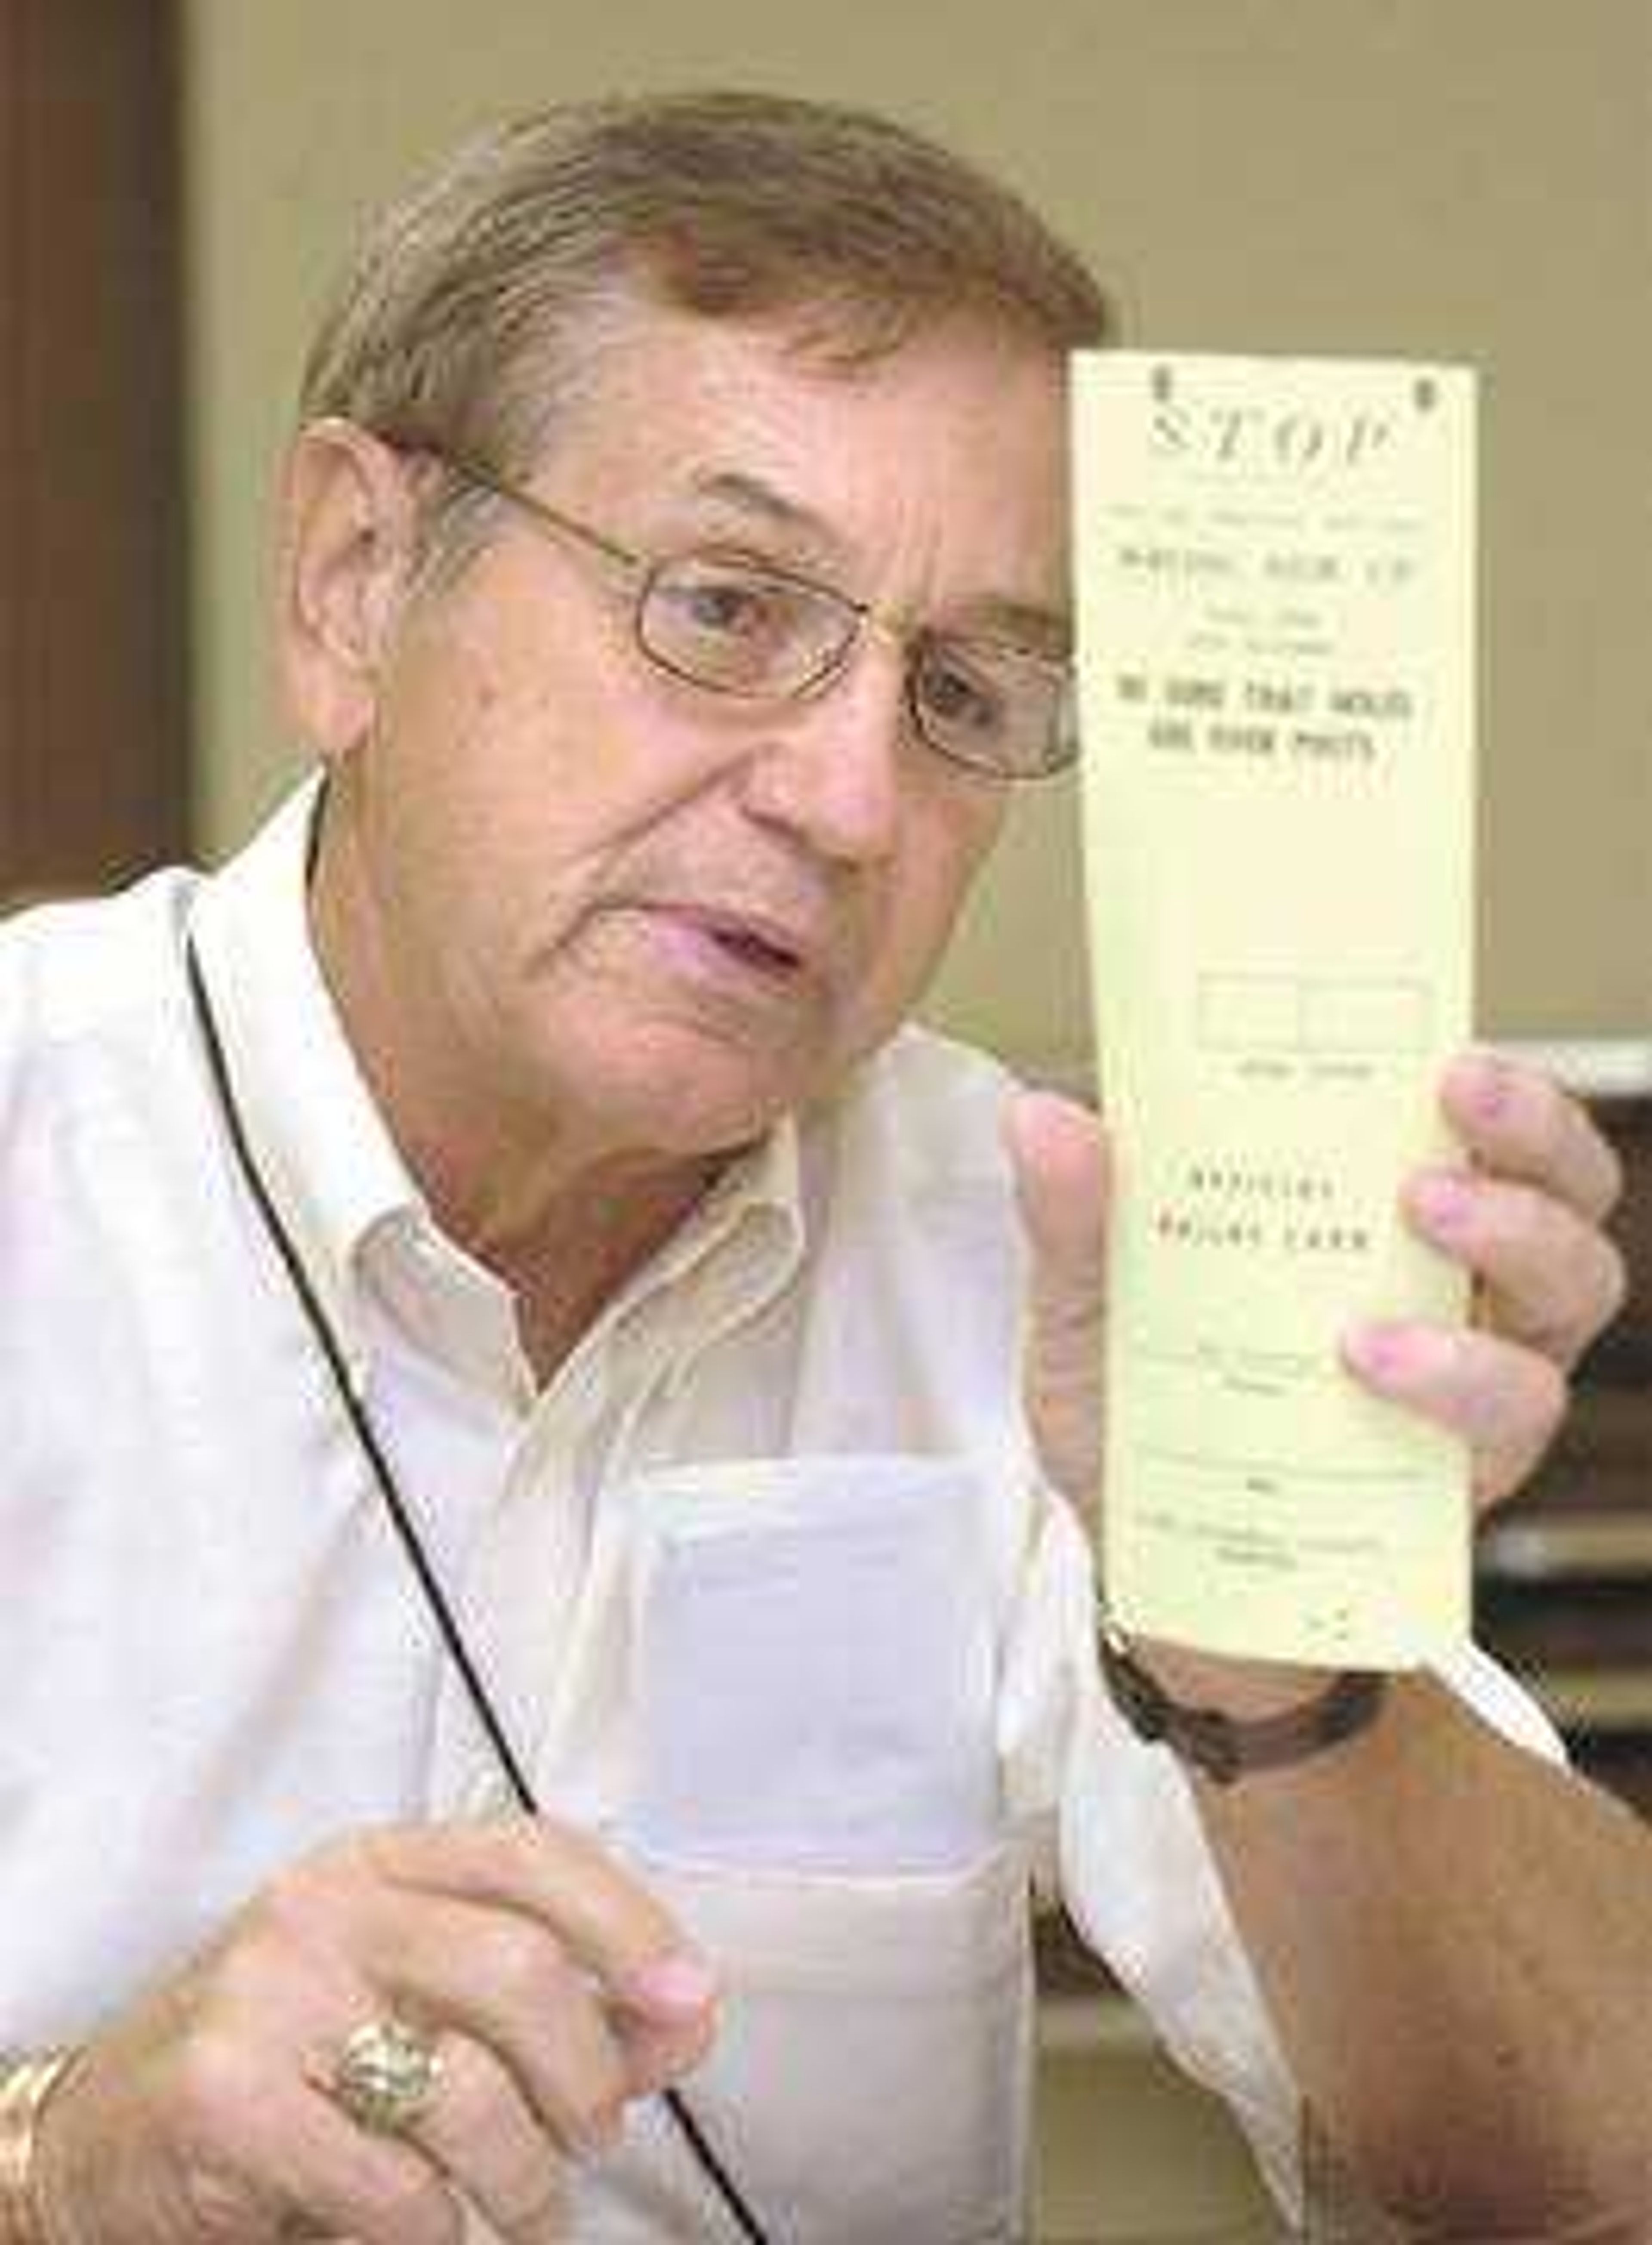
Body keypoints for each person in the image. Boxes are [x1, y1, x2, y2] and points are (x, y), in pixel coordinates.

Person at [0, 90, 1646, 2245]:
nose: (855, 796)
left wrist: (1277, 1643)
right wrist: (59, 2157)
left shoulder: (1029, 1253)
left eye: (964, 691)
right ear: (353, 582)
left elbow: (1589, 2166)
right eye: (727, 605)